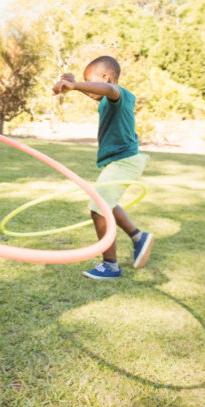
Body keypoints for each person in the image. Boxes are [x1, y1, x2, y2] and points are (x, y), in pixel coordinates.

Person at [53, 55, 153, 279]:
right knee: (107, 202)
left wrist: (76, 84)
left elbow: (107, 89)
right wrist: (76, 86)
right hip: (121, 161)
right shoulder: (107, 101)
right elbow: (98, 92)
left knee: (98, 207)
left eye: (91, 81)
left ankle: (110, 265)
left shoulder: (120, 95)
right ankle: (138, 237)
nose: (88, 87)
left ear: (106, 78)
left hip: (125, 161)